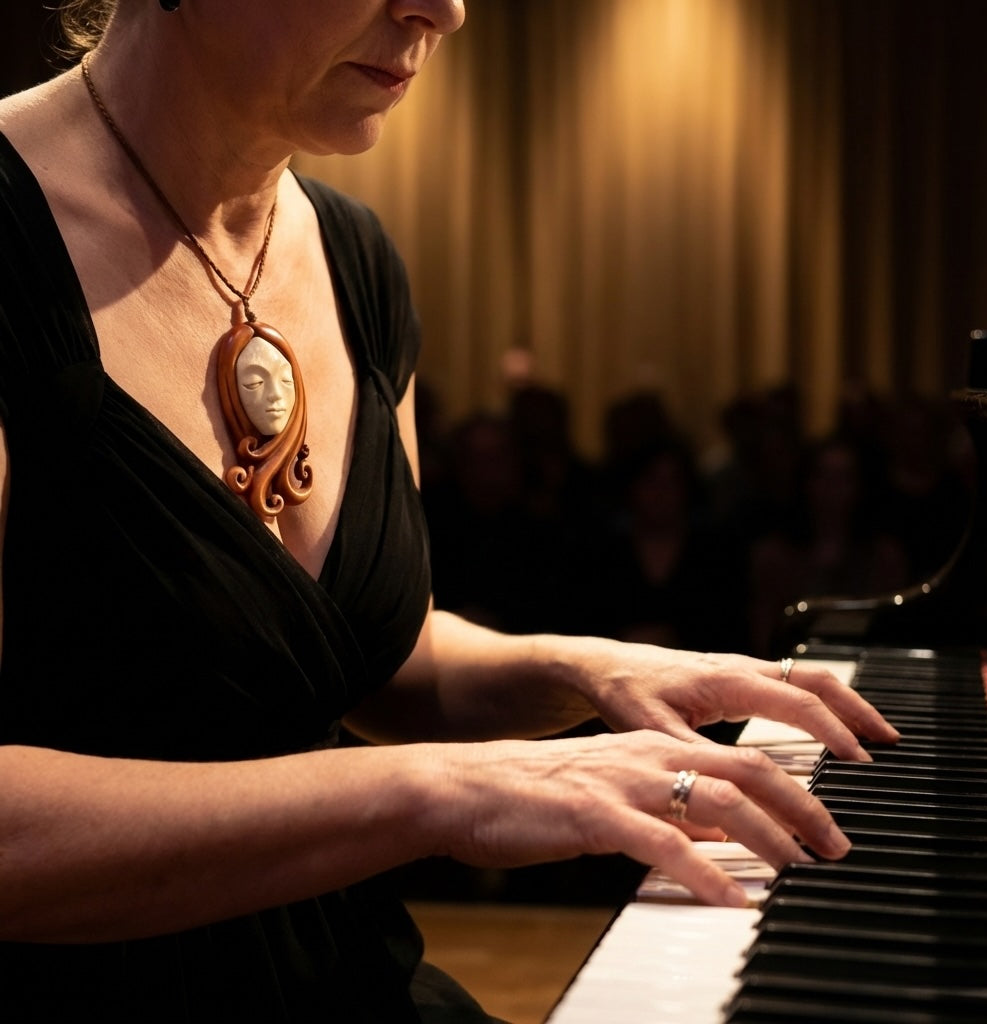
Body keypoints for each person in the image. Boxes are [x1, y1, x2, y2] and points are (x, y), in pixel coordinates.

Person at [0, 2, 899, 1020]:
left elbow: (378, 660)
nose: (446, 7)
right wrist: (443, 792)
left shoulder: (355, 255)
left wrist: (586, 667)